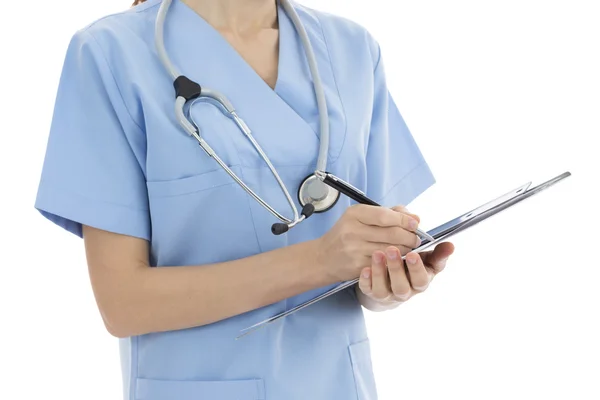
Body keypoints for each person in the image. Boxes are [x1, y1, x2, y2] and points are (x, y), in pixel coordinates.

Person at [34, 0, 455, 398]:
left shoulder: (352, 50)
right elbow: (122, 304)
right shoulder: (111, 54)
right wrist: (319, 260)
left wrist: (386, 282)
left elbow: (360, 265)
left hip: (339, 383)